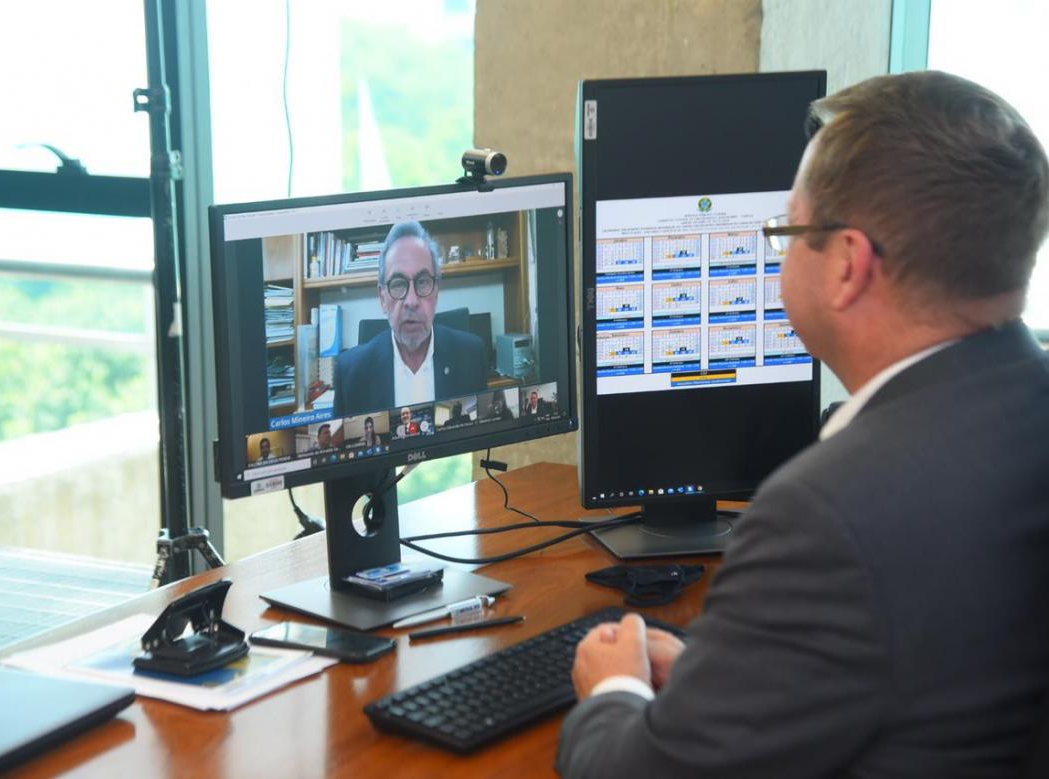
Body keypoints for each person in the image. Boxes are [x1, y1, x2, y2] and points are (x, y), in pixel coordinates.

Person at [557, 71, 1049, 777]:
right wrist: (730, 673)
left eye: (787, 230)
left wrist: (614, 687)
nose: (780, 250)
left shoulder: (825, 514)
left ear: (848, 264)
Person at [332, 221, 488, 417]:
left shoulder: (472, 356)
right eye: (398, 284)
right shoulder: (350, 373)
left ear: (436, 293)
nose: (412, 301)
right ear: (382, 298)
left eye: (423, 282)